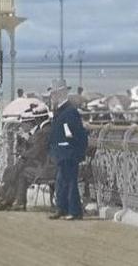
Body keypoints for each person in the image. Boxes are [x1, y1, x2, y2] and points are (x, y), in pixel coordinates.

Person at [0, 108, 55, 211]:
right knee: (17, 170)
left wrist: (24, 154)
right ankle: (7, 197)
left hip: (45, 166)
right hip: (45, 163)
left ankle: (7, 196)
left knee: (20, 172)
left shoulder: (44, 131)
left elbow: (37, 150)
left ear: (39, 119)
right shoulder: (46, 129)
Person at [47, 85, 88, 220]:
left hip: (69, 152)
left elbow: (75, 133)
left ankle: (74, 211)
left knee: (69, 181)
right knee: (62, 181)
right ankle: (63, 208)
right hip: (62, 151)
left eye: (53, 94)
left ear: (60, 94)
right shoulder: (61, 110)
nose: (52, 97)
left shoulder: (69, 111)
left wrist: (70, 145)